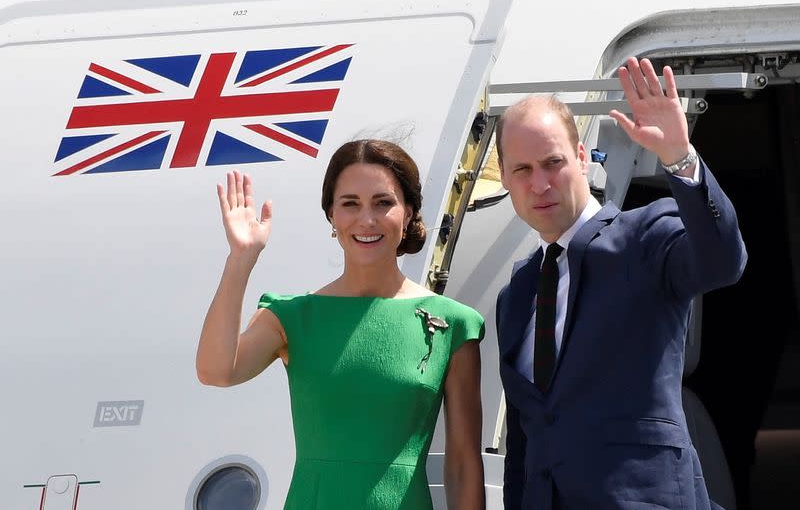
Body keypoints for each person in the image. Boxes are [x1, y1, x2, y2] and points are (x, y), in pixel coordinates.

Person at [494, 56, 747, 509]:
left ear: (582, 157)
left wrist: (680, 159)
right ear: (505, 176)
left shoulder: (646, 235)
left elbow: (722, 261)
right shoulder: (516, 294)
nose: (540, 184)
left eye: (553, 163)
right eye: (523, 170)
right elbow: (525, 441)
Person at [195, 139, 486, 509]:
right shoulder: (292, 317)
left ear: (409, 212)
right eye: (350, 204)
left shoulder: (453, 323)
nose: (367, 220)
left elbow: (463, 464)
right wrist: (241, 259)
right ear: (331, 215)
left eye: (383, 203)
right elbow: (216, 371)